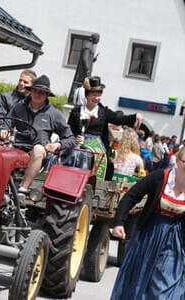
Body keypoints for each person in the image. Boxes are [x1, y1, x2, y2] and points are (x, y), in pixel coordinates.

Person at [111, 147, 185, 299]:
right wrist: (119, 223)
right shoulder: (160, 177)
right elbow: (131, 196)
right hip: (149, 235)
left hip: (175, 241)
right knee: (139, 280)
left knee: (164, 285)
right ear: (177, 161)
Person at [0, 75, 77, 193]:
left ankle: (22, 190)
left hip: (38, 154)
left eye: (42, 92)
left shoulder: (54, 114)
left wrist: (57, 145)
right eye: (35, 90)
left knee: (38, 149)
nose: (38, 94)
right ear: (30, 91)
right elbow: (7, 122)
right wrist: (4, 130)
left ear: (47, 95)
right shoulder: (19, 107)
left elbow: (71, 139)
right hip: (15, 148)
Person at [67, 76, 143, 179]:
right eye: (94, 95)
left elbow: (119, 119)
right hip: (78, 144)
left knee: (88, 155)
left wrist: (135, 116)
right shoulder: (76, 112)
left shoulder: (103, 112)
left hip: (97, 145)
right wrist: (75, 137)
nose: (97, 98)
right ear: (87, 95)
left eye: (99, 95)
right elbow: (69, 130)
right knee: (73, 154)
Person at [68, 33, 100, 104]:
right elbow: (84, 58)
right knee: (79, 84)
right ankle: (73, 100)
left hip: (86, 70)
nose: (98, 41)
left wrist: (93, 59)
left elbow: (88, 59)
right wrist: (87, 69)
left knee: (84, 85)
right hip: (83, 71)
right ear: (95, 38)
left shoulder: (91, 46)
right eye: (98, 39)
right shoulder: (87, 46)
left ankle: (80, 101)